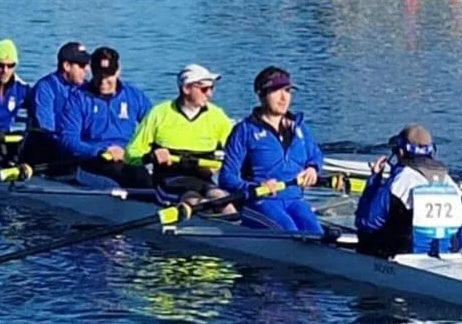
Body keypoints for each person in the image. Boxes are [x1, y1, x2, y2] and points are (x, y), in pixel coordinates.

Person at [218, 67, 324, 236]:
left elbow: (315, 155)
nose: (284, 98)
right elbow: (226, 178)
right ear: (261, 95)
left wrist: (313, 168)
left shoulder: (299, 127)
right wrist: (255, 186)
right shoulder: (244, 131)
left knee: (316, 233)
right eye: (276, 91)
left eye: (288, 91)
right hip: (260, 202)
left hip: (295, 200)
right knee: (289, 232)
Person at [123, 63, 235, 203]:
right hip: (169, 180)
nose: (210, 94)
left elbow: (235, 153)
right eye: (204, 89)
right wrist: (150, 157)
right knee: (193, 201)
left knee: (223, 200)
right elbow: (130, 154)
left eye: (211, 88)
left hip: (203, 179)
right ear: (186, 88)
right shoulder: (159, 114)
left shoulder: (217, 116)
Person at [355, 124, 462, 259]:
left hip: (402, 256)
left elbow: (367, 223)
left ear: (401, 152)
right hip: (447, 255)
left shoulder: (400, 181)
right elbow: (460, 237)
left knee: (366, 235)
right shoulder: (451, 184)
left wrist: (375, 180)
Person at [56, 46, 153, 183]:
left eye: (108, 76)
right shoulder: (78, 99)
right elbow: (68, 139)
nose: (103, 81)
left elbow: (155, 128)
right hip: (95, 161)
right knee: (138, 177)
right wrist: (100, 151)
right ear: (92, 70)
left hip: (129, 157)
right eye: (98, 74)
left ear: (118, 70)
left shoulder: (134, 95)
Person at [26, 41, 92, 171]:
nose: (87, 70)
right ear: (66, 66)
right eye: (82, 65)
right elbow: (47, 131)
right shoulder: (45, 88)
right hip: (49, 151)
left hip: (78, 148)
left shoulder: (86, 89)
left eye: (88, 65)